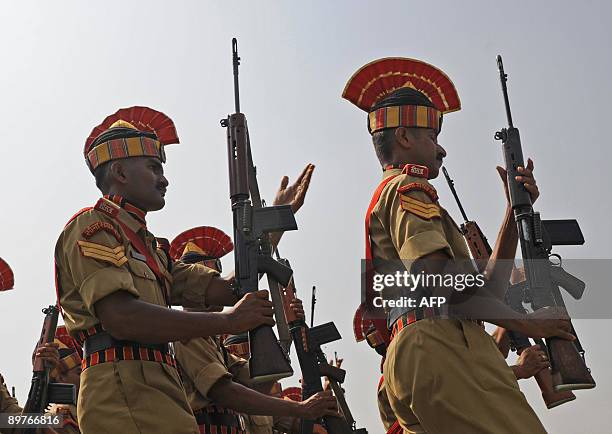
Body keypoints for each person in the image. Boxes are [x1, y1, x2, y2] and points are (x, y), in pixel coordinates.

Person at [342, 57, 574, 433]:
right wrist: (531, 322)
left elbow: (488, 290)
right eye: (432, 137)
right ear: (404, 137)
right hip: (440, 344)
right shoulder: (406, 188)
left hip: (436, 345)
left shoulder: (401, 195)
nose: (441, 150)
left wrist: (514, 212)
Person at [54, 106, 277, 433]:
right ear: (120, 172)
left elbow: (223, 290)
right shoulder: (94, 226)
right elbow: (122, 316)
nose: (164, 178)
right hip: (121, 390)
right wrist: (229, 321)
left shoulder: (151, 248)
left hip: (160, 389)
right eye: (153, 167)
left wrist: (260, 238)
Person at [171, 225, 337, 434]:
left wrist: (289, 326)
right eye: (212, 280)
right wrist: (300, 408)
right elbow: (226, 393)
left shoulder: (213, 344)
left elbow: (260, 381)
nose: (221, 286)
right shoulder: (187, 335)